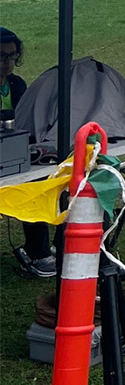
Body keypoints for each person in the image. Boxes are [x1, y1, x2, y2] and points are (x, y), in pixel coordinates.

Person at [1, 29, 58, 278]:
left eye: (12, 56)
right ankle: (39, 253)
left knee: (49, 178)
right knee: (31, 184)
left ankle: (44, 250)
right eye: (2, 57)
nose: (8, 63)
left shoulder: (16, 83)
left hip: (16, 153)